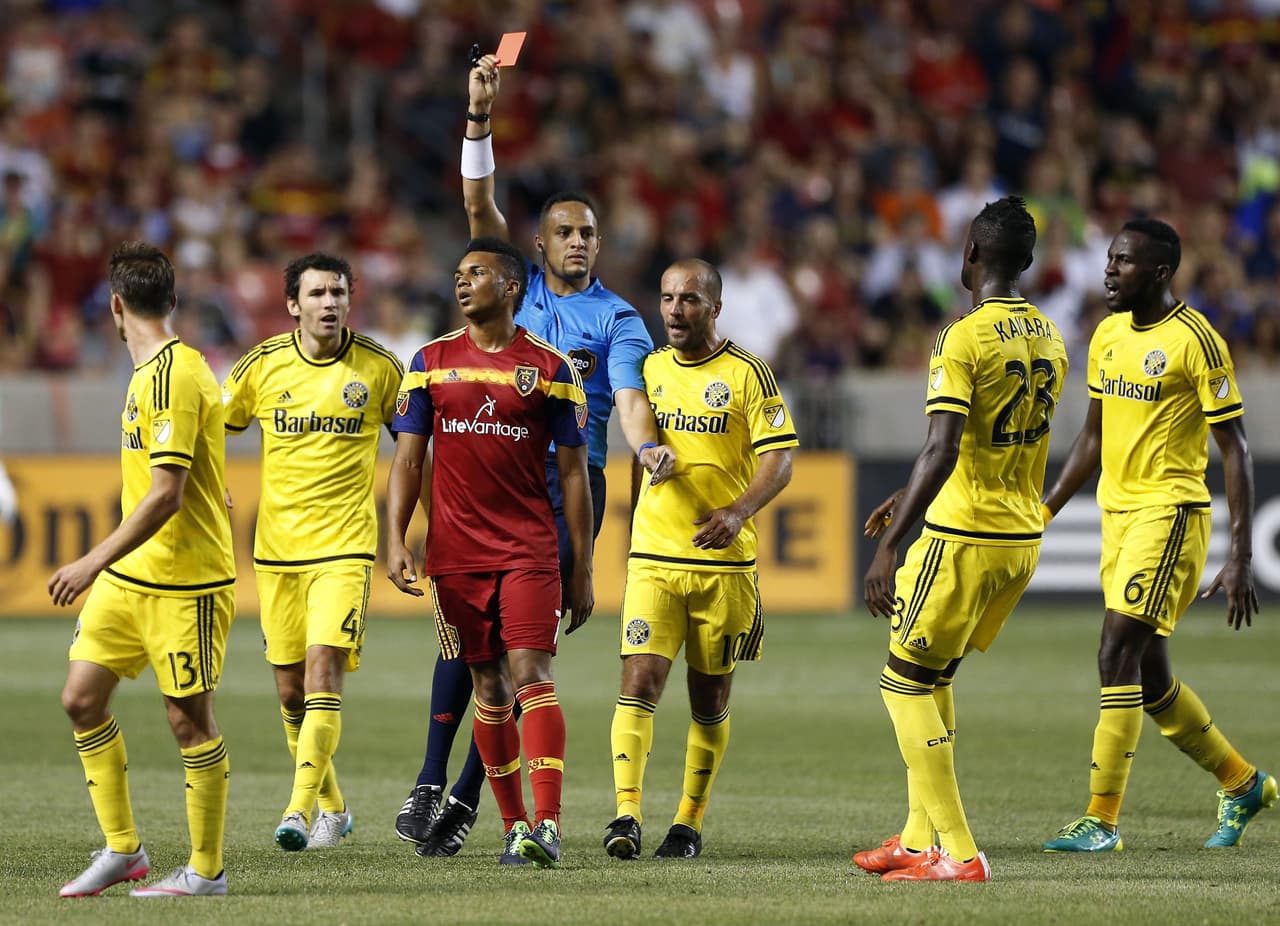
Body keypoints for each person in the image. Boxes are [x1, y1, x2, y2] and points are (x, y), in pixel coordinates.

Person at [392, 52, 672, 857]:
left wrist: (645, 444)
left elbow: (624, 397)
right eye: (564, 232)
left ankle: (485, 806)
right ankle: (437, 783)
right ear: (537, 247)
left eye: (589, 232)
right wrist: (479, 113)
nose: (578, 243)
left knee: (523, 653)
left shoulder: (621, 320)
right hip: (482, 467)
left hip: (563, 476)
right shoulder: (515, 287)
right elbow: (477, 196)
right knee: (475, 643)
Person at [1041, 217, 1274, 853]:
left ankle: (1101, 819)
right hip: (1117, 518)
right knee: (1151, 682)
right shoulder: (1109, 333)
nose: (1110, 271)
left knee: (1113, 653)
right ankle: (1241, 781)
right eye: (1111, 259)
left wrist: (1240, 556)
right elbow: (1090, 437)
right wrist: (1046, 511)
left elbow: (1237, 451)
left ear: (1162, 273)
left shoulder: (1197, 341)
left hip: (1169, 515)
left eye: (1124, 262)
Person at [858, 196, 1068, 882]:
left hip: (963, 535)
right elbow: (986, 443)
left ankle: (960, 851)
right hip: (1019, 532)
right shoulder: (1052, 335)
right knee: (935, 674)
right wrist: (908, 495)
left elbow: (943, 446)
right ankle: (919, 840)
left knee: (901, 683)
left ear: (971, 255)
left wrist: (892, 544)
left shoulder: (962, 336)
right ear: (1028, 262)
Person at [386, 236, 594, 870]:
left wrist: (581, 565)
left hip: (529, 548)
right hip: (455, 556)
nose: (461, 281)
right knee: (488, 686)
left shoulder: (552, 371)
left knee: (532, 672)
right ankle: (513, 827)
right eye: (457, 273)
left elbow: (577, 475)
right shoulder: (427, 361)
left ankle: (549, 825)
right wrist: (394, 538)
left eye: (475, 272)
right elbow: (407, 460)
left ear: (511, 288)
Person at [53, 242, 235, 897]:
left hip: (187, 583)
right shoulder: (153, 373)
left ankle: (207, 872)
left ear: (115, 306)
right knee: (80, 699)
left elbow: (166, 493)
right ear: (173, 301)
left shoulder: (175, 375)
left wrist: (89, 559)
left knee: (189, 721)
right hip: (130, 583)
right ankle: (123, 850)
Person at [602, 258, 797, 861]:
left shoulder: (748, 374)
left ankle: (687, 822)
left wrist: (738, 512)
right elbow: (642, 453)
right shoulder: (650, 368)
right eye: (666, 299)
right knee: (639, 682)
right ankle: (626, 816)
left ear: (714, 308)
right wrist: (633, 523)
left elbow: (780, 461)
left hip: (725, 565)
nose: (674, 311)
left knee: (709, 699)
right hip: (655, 557)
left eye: (688, 300)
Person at [222, 253, 404, 851]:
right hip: (276, 553)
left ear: (352, 299)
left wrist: (407, 531)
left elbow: (417, 447)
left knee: (324, 667)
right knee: (290, 692)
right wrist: (206, 486)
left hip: (346, 547)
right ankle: (335, 807)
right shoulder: (263, 366)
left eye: (339, 292)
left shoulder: (378, 369)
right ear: (293, 305)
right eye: (317, 293)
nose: (330, 302)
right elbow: (211, 428)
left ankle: (298, 812)